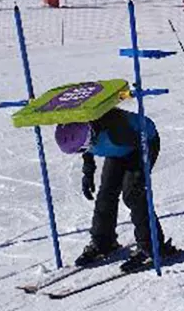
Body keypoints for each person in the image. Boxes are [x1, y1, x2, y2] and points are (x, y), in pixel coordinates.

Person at [54, 109, 177, 272]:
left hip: (141, 143)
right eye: (79, 149)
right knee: (106, 194)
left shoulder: (116, 132)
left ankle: (152, 247)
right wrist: (88, 173)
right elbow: (87, 151)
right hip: (117, 149)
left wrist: (138, 177)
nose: (84, 150)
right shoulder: (84, 132)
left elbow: (142, 147)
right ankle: (103, 243)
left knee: (133, 194)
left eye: (84, 146)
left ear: (90, 133)